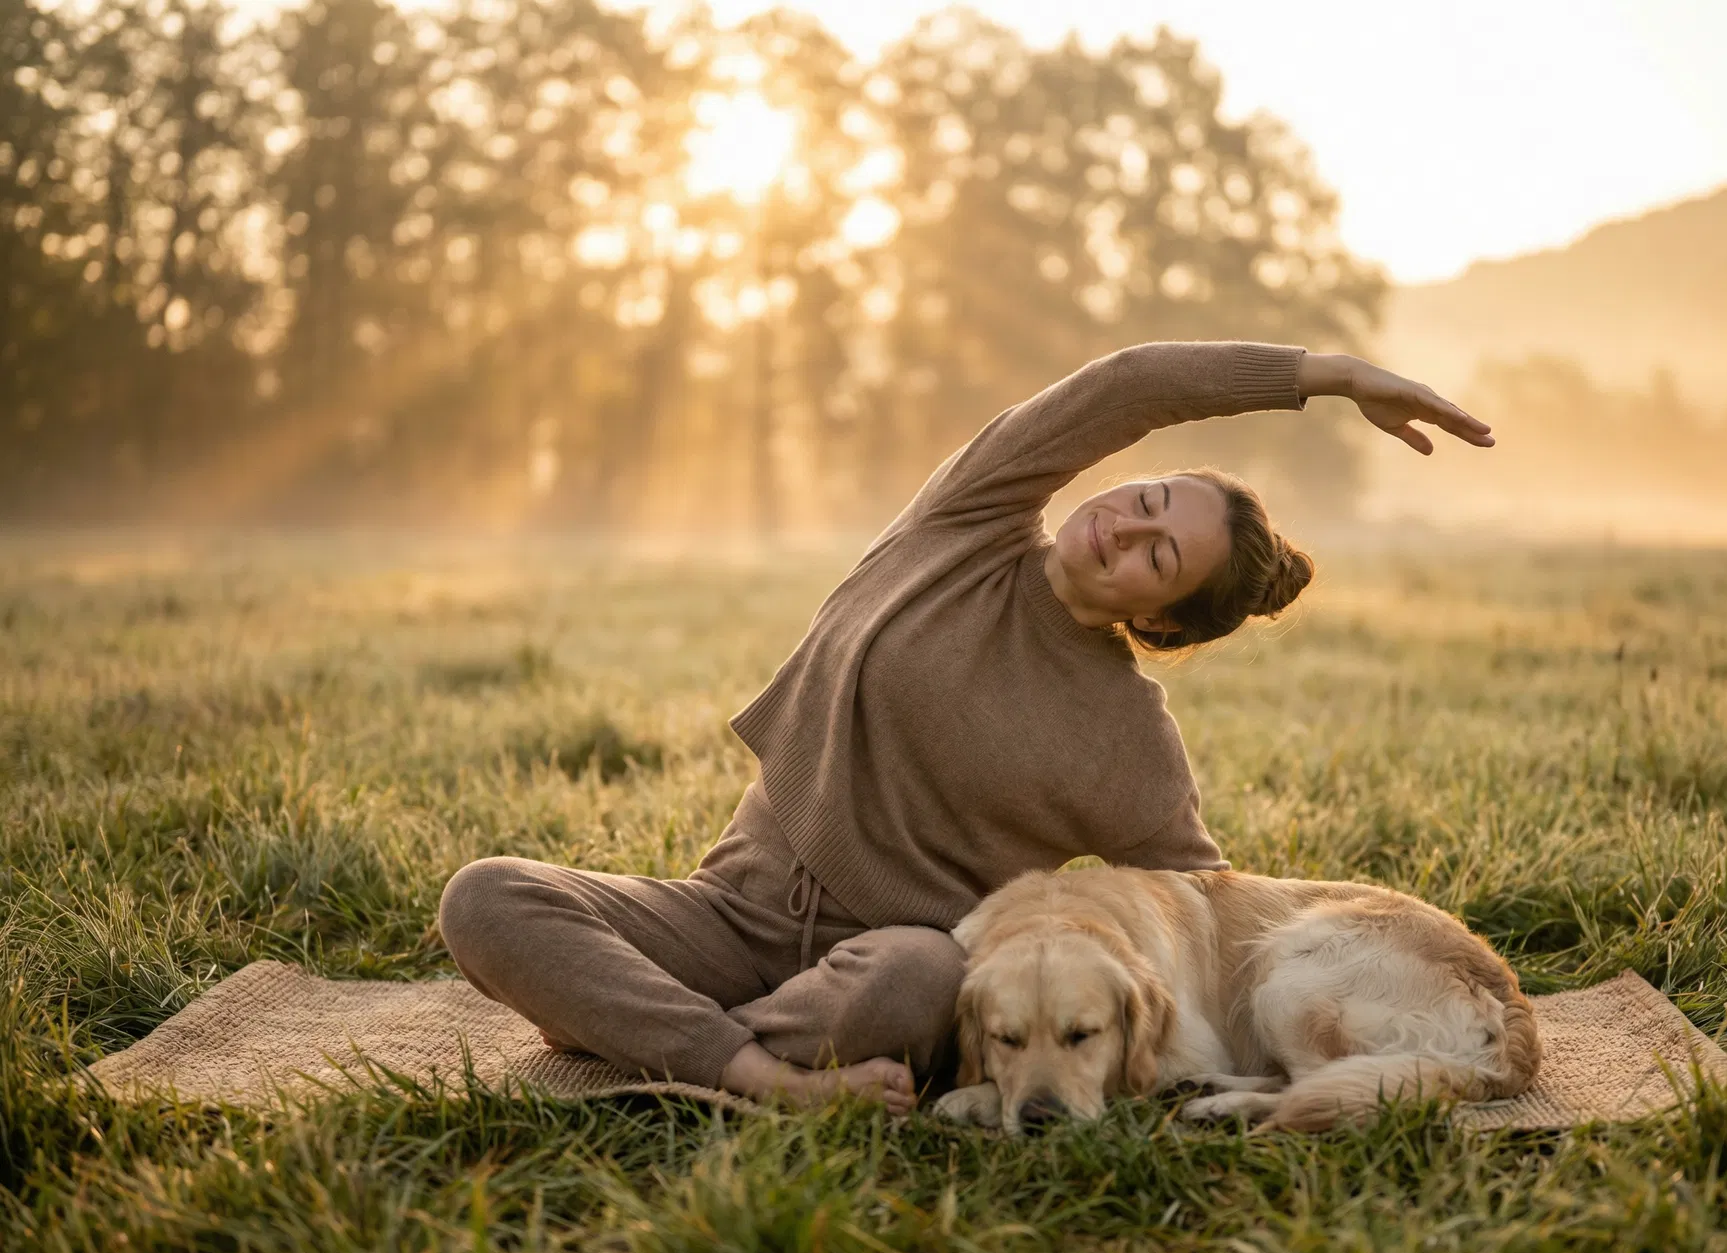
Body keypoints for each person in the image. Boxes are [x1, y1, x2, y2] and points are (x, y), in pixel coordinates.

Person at [437, 341, 1493, 1114]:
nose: (1125, 524)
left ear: (1159, 617)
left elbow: (1196, 910)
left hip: (887, 970)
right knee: (486, 895)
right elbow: (1126, 387)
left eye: (1157, 556)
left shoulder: (1127, 734)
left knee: (929, 978)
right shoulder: (969, 519)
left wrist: (1342, 996)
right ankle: (761, 1072)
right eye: (1150, 499)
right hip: (723, 914)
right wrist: (1328, 375)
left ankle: (652, 1037)